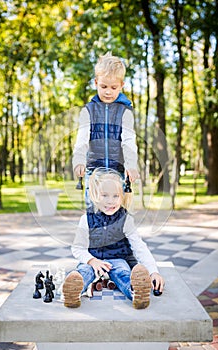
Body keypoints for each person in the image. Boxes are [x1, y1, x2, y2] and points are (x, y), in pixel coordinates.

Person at [62, 168, 164, 309]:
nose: (110, 201)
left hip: (117, 260)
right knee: (84, 272)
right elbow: (77, 248)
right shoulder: (86, 219)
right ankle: (73, 292)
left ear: (122, 196)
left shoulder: (125, 219)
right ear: (95, 195)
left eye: (115, 196)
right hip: (93, 260)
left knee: (123, 273)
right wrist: (92, 261)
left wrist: (153, 271)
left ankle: (136, 292)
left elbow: (139, 246)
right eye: (105, 195)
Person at [72, 52, 139, 206]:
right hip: (94, 173)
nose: (108, 91)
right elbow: (81, 139)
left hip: (118, 171)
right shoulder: (88, 111)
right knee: (94, 213)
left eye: (113, 87)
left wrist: (131, 164)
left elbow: (129, 140)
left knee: (116, 215)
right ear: (96, 83)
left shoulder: (126, 112)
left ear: (122, 85)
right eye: (103, 86)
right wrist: (79, 160)